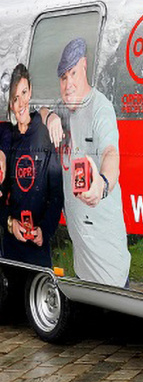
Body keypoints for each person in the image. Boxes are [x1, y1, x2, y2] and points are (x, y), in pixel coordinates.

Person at [46, 38, 130, 287]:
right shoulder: (64, 109)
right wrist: (49, 116)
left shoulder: (99, 108)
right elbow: (38, 111)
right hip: (82, 259)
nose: (68, 83)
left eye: (73, 73)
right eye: (63, 78)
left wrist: (102, 185)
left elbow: (111, 154)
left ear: (84, 67)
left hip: (107, 259)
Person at [0, 64, 63, 268]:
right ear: (10, 104)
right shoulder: (8, 138)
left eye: (24, 93)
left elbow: (56, 194)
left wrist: (45, 230)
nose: (21, 103)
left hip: (39, 248)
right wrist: (10, 224)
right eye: (15, 98)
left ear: (31, 90)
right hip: (11, 248)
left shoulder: (44, 132)